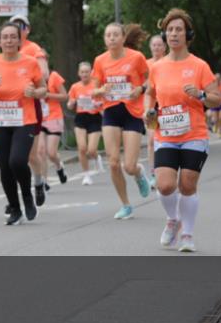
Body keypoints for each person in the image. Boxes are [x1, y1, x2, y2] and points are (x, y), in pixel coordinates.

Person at [144, 9, 221, 253]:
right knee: (165, 185)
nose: (174, 34)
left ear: (187, 34)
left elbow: (217, 99)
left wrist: (200, 95)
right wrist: (149, 112)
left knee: (187, 185)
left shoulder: (199, 66)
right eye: (169, 30)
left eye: (178, 29)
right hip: (166, 134)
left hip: (194, 135)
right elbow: (150, 93)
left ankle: (187, 234)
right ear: (164, 35)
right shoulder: (157, 67)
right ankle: (172, 219)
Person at [0, 22, 47, 224]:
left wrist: (35, 93)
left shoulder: (30, 63)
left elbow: (43, 89)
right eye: (5, 37)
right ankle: (15, 208)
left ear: (19, 40)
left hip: (24, 120)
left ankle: (27, 196)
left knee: (17, 161)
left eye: (12, 37)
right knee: (4, 168)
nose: (9, 40)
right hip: (0, 122)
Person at [91, 22, 151, 219]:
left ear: (123, 38)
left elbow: (150, 79)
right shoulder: (100, 61)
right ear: (104, 39)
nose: (112, 38)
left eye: (116, 34)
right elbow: (94, 89)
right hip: (111, 111)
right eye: (108, 35)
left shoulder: (136, 58)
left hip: (132, 112)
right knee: (114, 163)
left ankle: (138, 172)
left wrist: (140, 89)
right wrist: (101, 90)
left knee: (129, 166)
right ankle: (125, 205)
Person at [8, 13, 52, 204]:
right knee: (10, 156)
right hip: (8, 107)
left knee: (32, 154)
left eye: (22, 26)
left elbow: (44, 73)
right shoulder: (5, 50)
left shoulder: (33, 49)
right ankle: (13, 198)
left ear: (27, 30)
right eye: (14, 25)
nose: (18, 29)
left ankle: (39, 182)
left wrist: (26, 79)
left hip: (29, 104)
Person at [66, 62, 105, 185]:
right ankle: (87, 175)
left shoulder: (96, 86)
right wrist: (71, 103)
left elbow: (103, 102)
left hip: (94, 117)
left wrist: (98, 104)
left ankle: (96, 157)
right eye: (82, 72)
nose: (84, 74)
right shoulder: (74, 87)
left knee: (91, 150)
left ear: (91, 73)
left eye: (87, 72)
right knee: (82, 148)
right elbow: (69, 104)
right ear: (79, 73)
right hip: (81, 118)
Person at [41, 59, 69, 193]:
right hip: (39, 118)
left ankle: (59, 166)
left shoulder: (54, 76)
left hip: (54, 117)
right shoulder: (32, 78)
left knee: (51, 153)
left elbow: (65, 96)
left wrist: (48, 95)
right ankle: (44, 181)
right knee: (40, 151)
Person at [145, 33, 168, 187]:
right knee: (152, 140)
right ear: (150, 47)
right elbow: (142, 85)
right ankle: (153, 174)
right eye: (154, 45)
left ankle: (168, 171)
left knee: (168, 140)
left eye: (160, 45)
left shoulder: (169, 62)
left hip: (168, 106)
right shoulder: (145, 64)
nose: (157, 47)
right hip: (152, 107)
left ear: (164, 47)